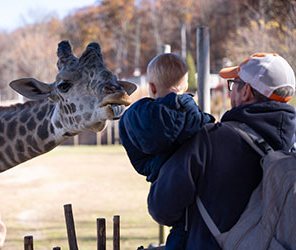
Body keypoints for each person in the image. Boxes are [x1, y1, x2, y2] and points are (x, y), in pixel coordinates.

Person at [147, 53, 296, 250]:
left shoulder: (209, 141)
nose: (230, 92)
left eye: (234, 84)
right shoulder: (291, 148)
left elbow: (162, 207)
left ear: (246, 92)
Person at [119, 53, 214, 250]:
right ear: (186, 87)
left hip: (164, 192)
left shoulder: (139, 118)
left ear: (151, 87)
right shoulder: (196, 120)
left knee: (180, 233)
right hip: (198, 197)